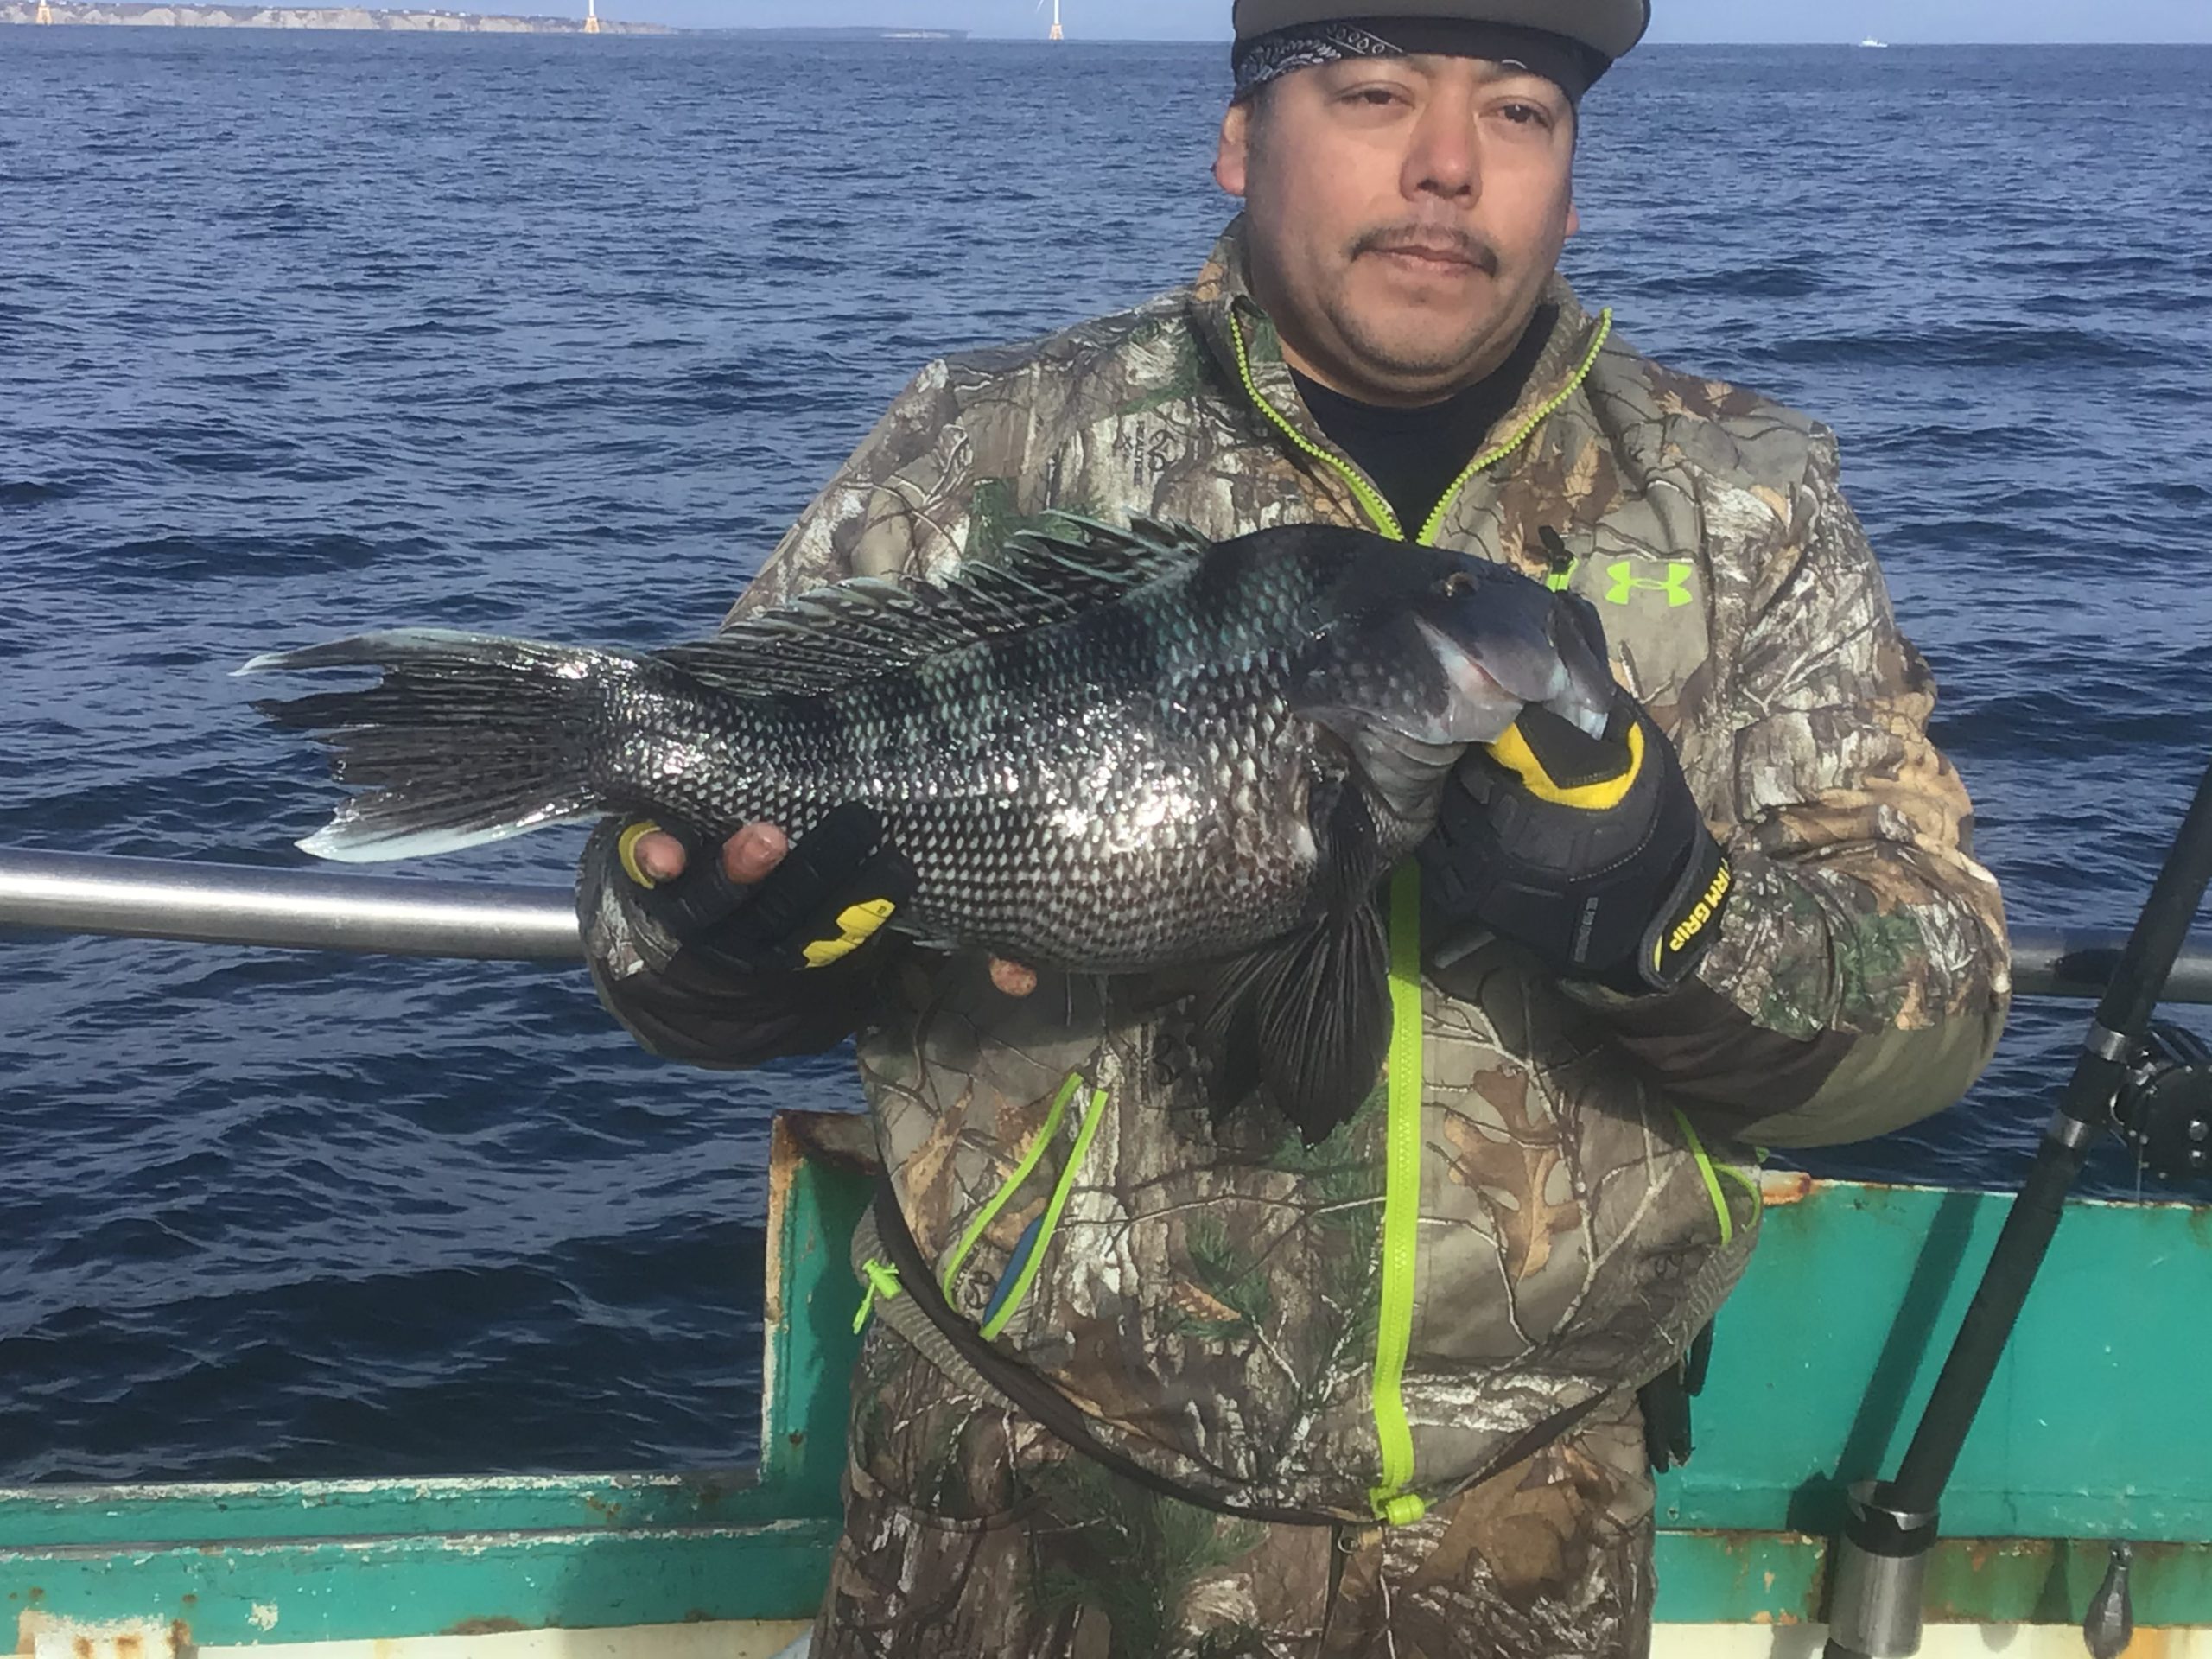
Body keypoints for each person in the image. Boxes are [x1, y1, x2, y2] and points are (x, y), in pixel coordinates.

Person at [576, 2, 2012, 1652]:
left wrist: (1673, 917)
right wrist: (707, 938)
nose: (1451, 166)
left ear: (1572, 168)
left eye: (1523, 111)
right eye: (1377, 92)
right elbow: (653, 915)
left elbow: (1945, 997)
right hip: (1015, 1497)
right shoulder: (985, 448)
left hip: (1532, 1523)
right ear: (1244, 138)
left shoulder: (1745, 496)